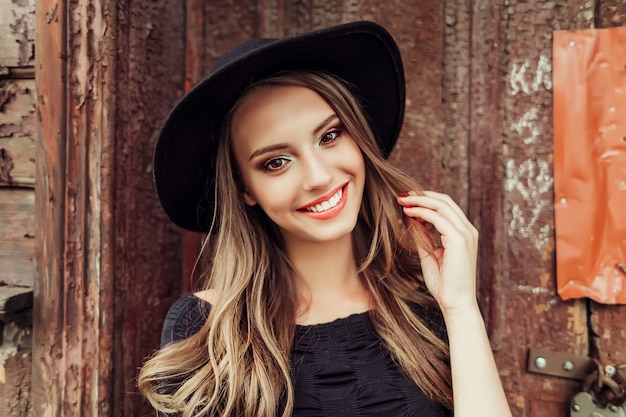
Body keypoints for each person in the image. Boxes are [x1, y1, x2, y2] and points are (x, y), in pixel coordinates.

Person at [138, 21, 512, 417]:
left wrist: (460, 309)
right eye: (276, 162)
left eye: (329, 136)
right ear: (245, 188)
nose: (318, 177)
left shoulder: (430, 305)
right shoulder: (204, 331)